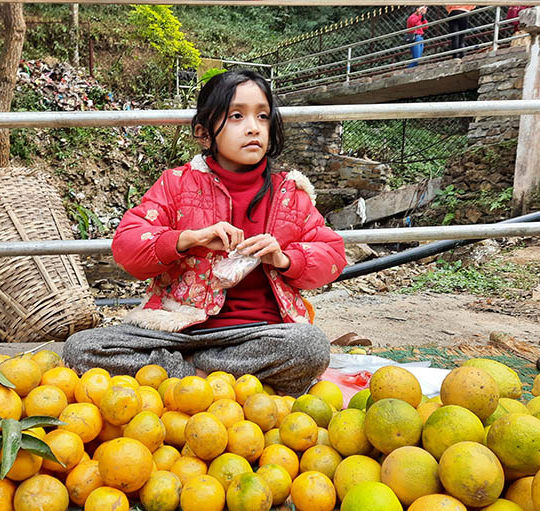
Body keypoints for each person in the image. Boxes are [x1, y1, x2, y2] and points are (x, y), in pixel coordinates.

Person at [63, 70, 347, 396]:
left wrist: (284, 258)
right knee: (81, 347)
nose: (254, 127)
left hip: (260, 334)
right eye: (237, 116)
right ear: (203, 132)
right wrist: (188, 239)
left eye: (263, 116)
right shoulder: (176, 184)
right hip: (177, 330)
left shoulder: (290, 193)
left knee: (309, 346)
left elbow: (333, 256)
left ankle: (187, 374)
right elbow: (127, 247)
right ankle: (218, 376)